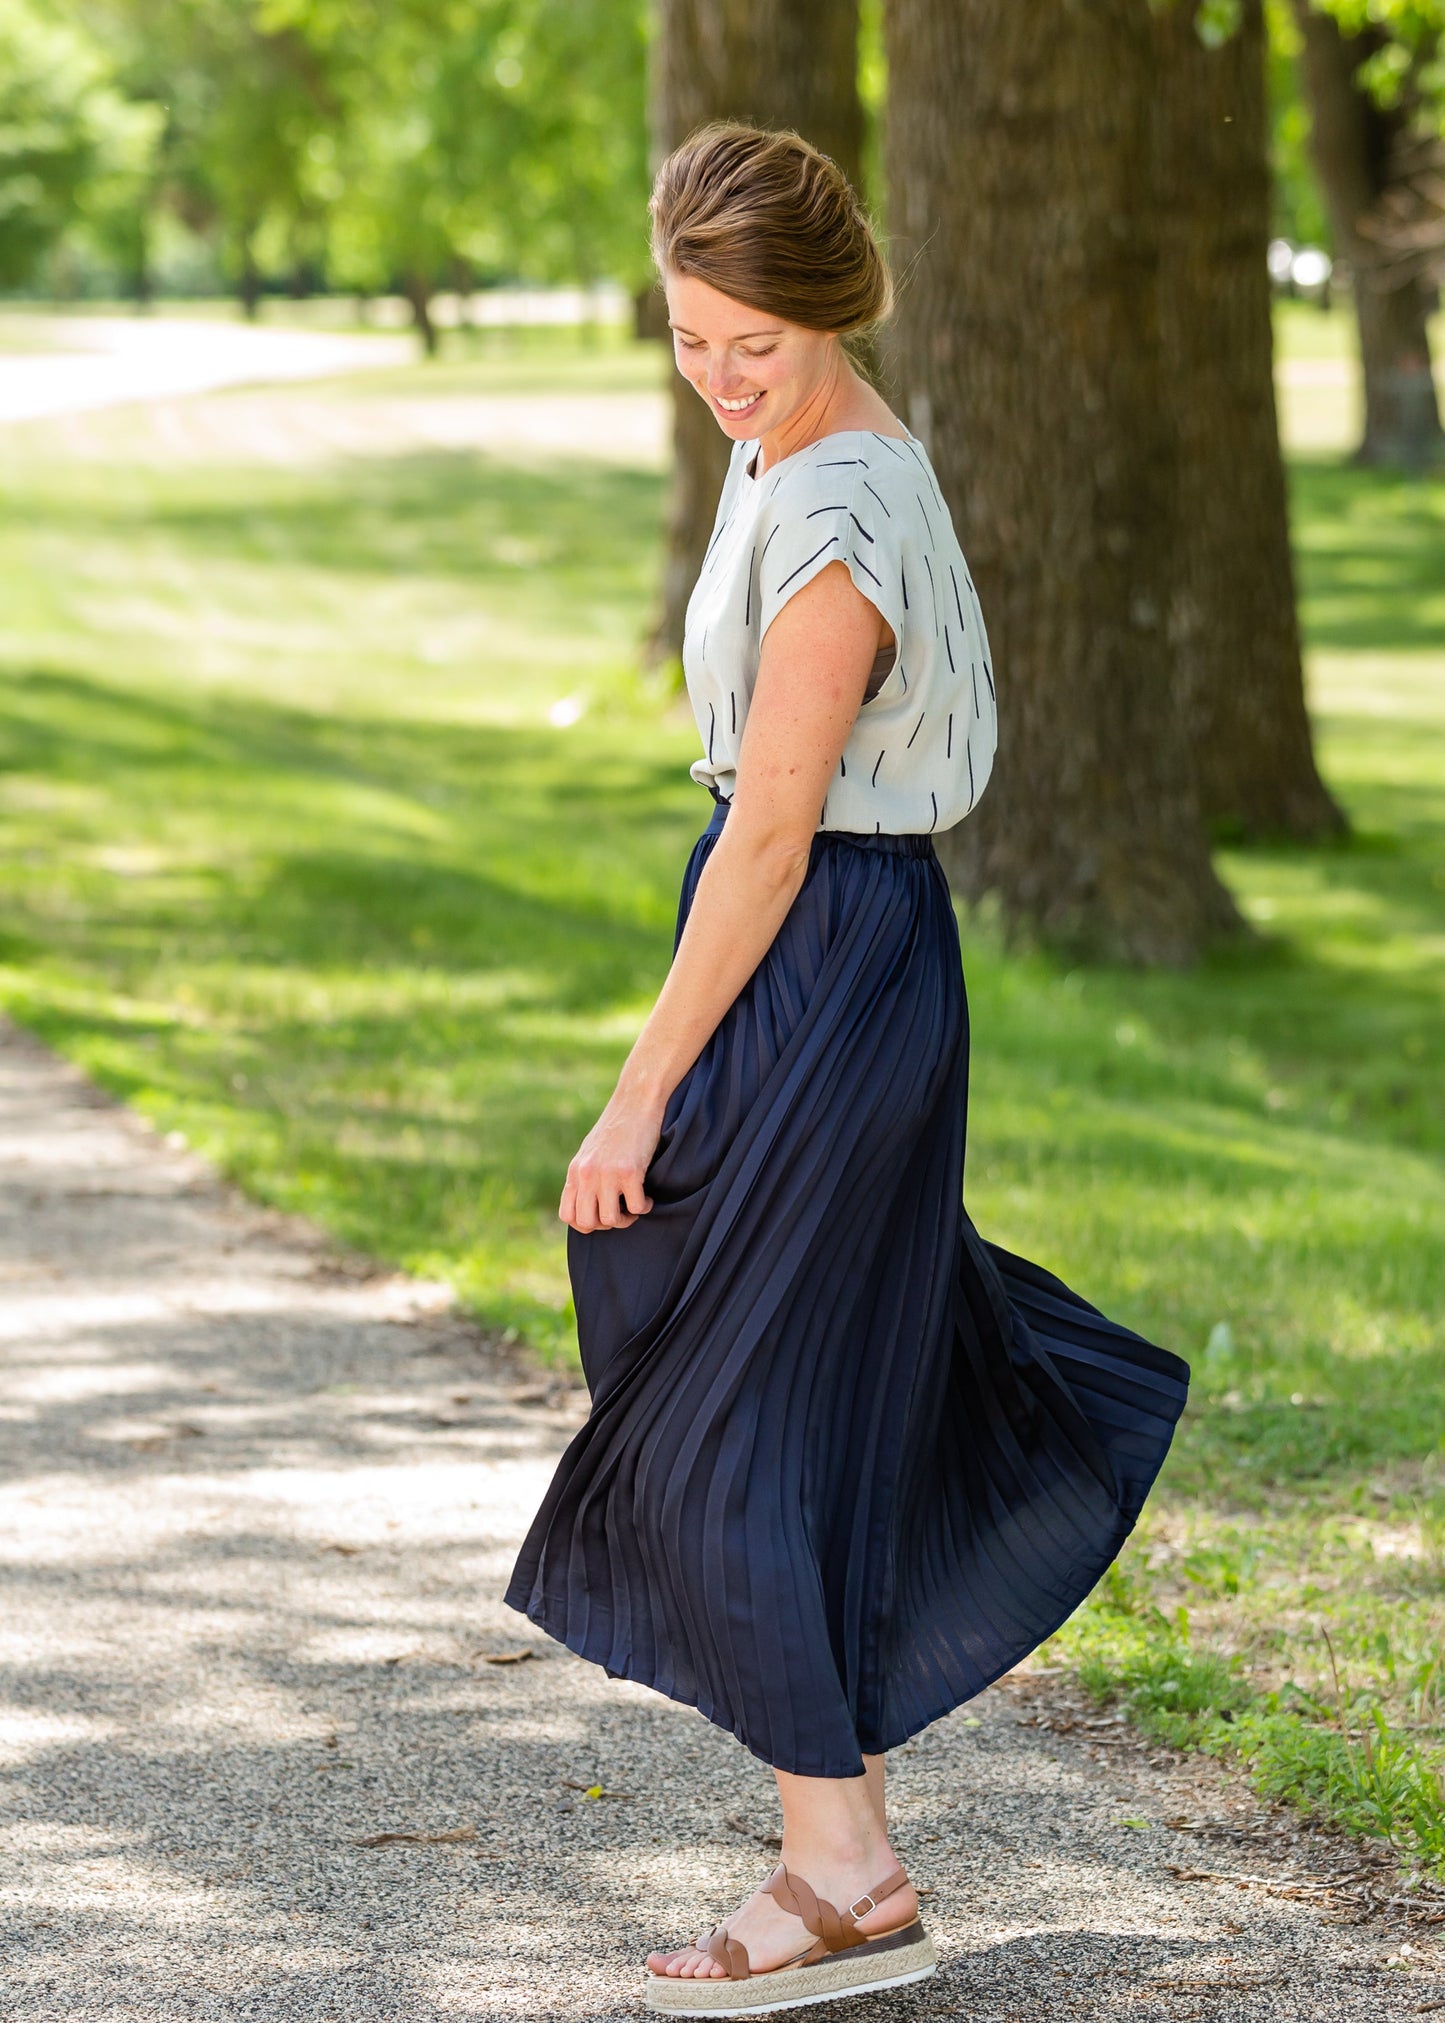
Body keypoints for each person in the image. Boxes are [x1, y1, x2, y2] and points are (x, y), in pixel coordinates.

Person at [505, 122, 1190, 2016]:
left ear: (837, 309)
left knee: (724, 1383)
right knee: (777, 1359)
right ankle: (847, 1847)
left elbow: (778, 831)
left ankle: (838, 1864)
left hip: (824, 952)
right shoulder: (796, 445)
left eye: (755, 342)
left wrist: (636, 1088)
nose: (721, 375)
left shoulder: (833, 513)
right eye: (690, 338)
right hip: (818, 949)